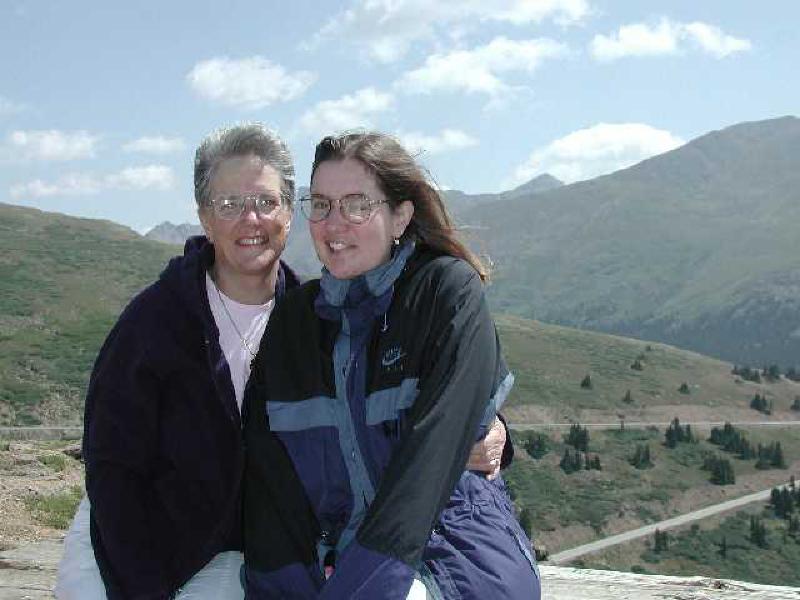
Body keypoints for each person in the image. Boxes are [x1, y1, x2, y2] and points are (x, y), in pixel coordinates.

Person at [55, 123, 510, 600]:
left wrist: (485, 428)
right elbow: (114, 470)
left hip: (251, 550)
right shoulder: (155, 324)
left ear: (290, 213)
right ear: (204, 218)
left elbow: (414, 414)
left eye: (266, 202)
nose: (250, 220)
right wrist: (139, 586)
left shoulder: (310, 314)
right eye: (229, 205)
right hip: (149, 538)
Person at [242, 132, 541, 599]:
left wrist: (357, 590)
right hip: (330, 558)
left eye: (356, 205)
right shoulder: (294, 322)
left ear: (400, 214)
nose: (333, 224)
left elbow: (425, 474)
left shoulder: (445, 292)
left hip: (451, 554)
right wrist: (281, 586)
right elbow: (268, 480)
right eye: (320, 204)